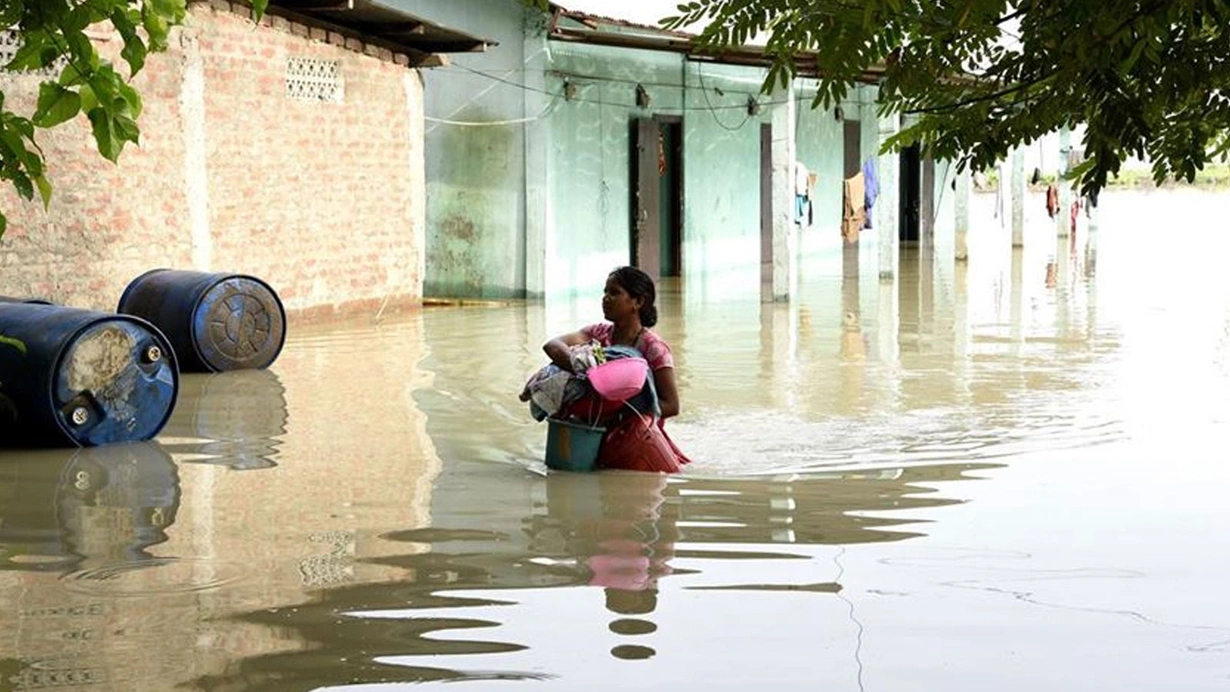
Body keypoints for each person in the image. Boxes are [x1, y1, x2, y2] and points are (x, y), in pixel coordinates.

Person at [533, 266, 690, 472]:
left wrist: (616, 408)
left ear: (638, 302)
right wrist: (579, 366)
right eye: (605, 292)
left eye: (614, 292)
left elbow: (671, 405)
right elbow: (553, 345)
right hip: (592, 433)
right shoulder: (597, 334)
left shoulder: (654, 349)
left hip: (634, 439)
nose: (605, 298)